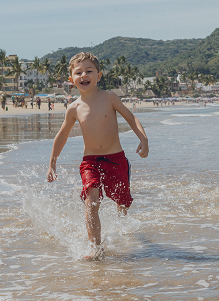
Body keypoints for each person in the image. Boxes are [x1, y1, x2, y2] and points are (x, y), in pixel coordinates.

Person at [46, 52, 149, 260]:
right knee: (91, 201)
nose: (84, 75)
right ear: (71, 79)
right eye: (78, 72)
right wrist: (52, 163)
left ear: (99, 75)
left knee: (122, 203)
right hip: (90, 162)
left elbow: (131, 117)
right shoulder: (73, 108)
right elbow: (62, 135)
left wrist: (143, 139)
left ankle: (124, 233)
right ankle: (95, 249)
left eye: (89, 71)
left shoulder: (109, 97)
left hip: (116, 159)